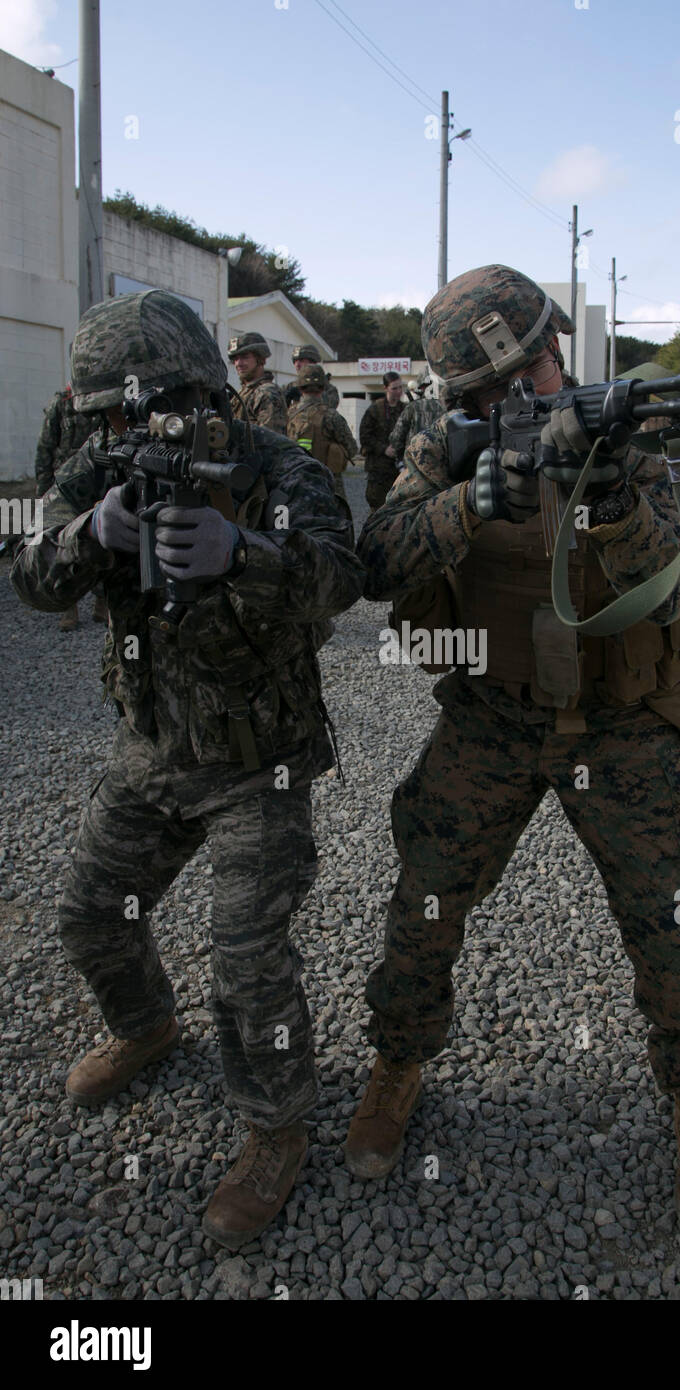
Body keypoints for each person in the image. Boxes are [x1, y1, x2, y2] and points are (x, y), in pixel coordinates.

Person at [346, 264, 680, 1238]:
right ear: (465, 399)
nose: (522, 395)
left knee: (674, 906)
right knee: (424, 895)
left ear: (560, 353)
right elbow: (372, 561)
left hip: (613, 718)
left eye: (534, 370)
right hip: (491, 713)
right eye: (493, 390)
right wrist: (467, 501)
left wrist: (606, 497)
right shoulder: (443, 444)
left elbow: (668, 576)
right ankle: (397, 1061)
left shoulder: (624, 432)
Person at [11, 290, 364, 1250]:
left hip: (259, 764)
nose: (136, 432)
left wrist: (244, 552)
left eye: (154, 408)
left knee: (248, 967)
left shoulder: (274, 465)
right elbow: (32, 578)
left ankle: (275, 1127)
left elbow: (343, 573)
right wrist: (91, 536)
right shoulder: (99, 468)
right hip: (154, 750)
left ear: (206, 390)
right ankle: (147, 1027)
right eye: (117, 415)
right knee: (89, 914)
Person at [34, 386, 104, 630]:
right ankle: (68, 608)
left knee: (102, 540)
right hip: (66, 488)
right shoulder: (62, 404)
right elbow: (45, 447)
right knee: (65, 545)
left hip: (96, 483)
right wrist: (43, 491)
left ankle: (102, 604)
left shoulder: (102, 399)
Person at [285, 363, 358, 507]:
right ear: (323, 388)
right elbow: (352, 449)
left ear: (299, 388)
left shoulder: (289, 415)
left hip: (295, 481)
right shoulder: (331, 416)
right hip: (328, 484)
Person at [359, 372, 406, 512]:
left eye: (400, 387)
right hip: (378, 469)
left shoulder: (405, 409)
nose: (399, 391)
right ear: (385, 388)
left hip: (400, 469)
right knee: (378, 509)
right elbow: (365, 436)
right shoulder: (375, 409)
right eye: (394, 388)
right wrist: (384, 449)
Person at [228, 331, 288, 433]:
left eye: (245, 357)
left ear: (261, 359)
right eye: (236, 359)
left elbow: (268, 439)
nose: (238, 363)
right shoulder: (243, 393)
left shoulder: (267, 393)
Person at [388, 368, 444, 466]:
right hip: (443, 466)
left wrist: (400, 456)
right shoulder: (451, 406)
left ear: (422, 386)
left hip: (416, 465)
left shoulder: (413, 407)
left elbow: (396, 438)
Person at [287, 344, 340, 411]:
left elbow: (330, 407)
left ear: (312, 362)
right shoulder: (290, 387)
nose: (297, 365)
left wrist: (306, 394)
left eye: (301, 360)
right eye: (295, 361)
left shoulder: (328, 388)